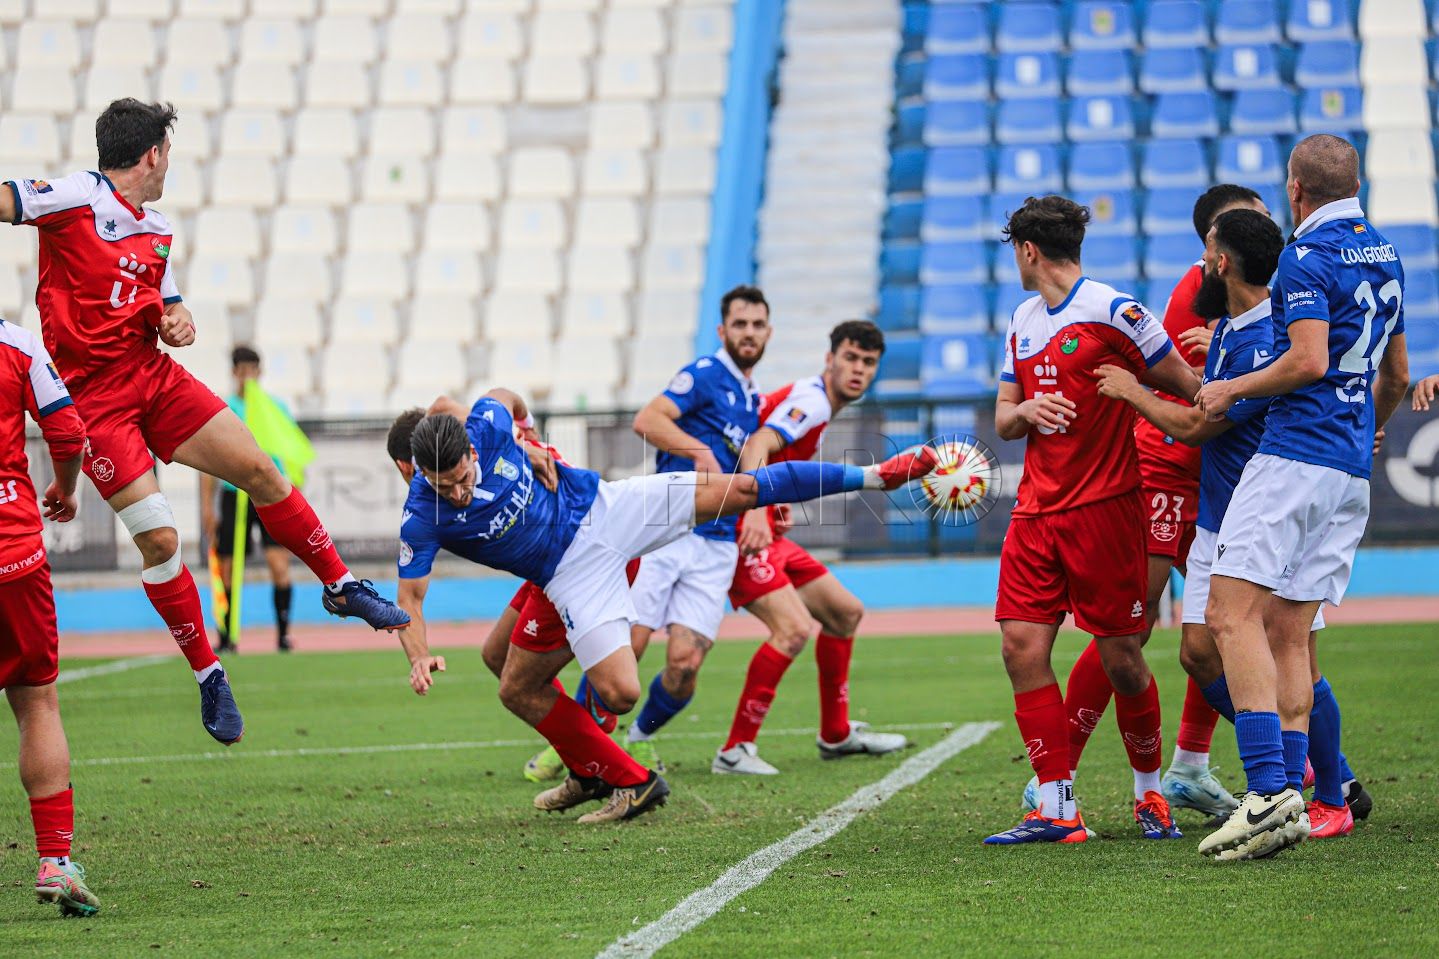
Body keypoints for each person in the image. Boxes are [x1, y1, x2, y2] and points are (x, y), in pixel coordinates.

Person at [0, 99, 409, 746]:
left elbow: (167, 301)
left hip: (153, 377)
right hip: (94, 402)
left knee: (259, 469)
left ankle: (338, 583)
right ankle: (210, 672)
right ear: (154, 153)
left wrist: (179, 319)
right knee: (161, 541)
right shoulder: (77, 195)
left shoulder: (156, 227)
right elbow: (8, 199)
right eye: (169, 154)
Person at [389, 390, 936, 823]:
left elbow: (496, 397)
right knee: (620, 693)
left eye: (462, 477)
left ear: (471, 451)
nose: (457, 492)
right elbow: (409, 598)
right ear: (420, 474)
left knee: (740, 490)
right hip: (570, 575)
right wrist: (418, 654)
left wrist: (528, 437)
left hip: (607, 508)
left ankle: (874, 475)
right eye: (444, 486)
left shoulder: (485, 426)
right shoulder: (422, 517)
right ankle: (599, 769)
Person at [1097, 208, 1369, 842]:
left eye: (1205, 253)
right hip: (1219, 514)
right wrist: (1199, 372)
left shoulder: (1267, 339)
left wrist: (1132, 389)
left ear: (1222, 261)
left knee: (1289, 646)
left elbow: (1199, 424)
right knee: (1200, 651)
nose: (1197, 266)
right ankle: (1293, 778)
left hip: (1265, 512)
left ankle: (1321, 788)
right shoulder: (1231, 329)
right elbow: (1212, 398)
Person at [1195, 135, 1409, 860]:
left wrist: (1229, 385)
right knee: (1288, 627)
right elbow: (1394, 379)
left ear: (1294, 190)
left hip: (1292, 456)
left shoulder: (1302, 257)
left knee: (1228, 614)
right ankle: (1297, 792)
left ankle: (1263, 792)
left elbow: (1307, 358)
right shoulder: (1385, 254)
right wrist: (1367, 432)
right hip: (1346, 469)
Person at [983, 195, 1202, 845]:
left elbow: (1188, 385)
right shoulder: (1021, 320)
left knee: (1122, 658)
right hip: (1035, 512)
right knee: (1019, 646)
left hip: (1106, 511)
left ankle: (1149, 790)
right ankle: (1057, 807)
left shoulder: (1117, 312)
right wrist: (1024, 413)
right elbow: (1001, 414)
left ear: (1026, 251)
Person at [1050, 185, 1271, 822]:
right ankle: (1054, 774)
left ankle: (1190, 767)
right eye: (1247, 222)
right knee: (1133, 624)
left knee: (1222, 622)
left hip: (1215, 475)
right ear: (1215, 239)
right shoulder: (1199, 291)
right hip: (1168, 469)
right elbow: (1197, 393)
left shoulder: (1257, 292)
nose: (1263, 232)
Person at [385, 406, 629, 785]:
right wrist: (526, 437)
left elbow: (409, 598)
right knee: (496, 654)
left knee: (522, 688)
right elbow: (447, 402)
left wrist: (525, 441)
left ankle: (595, 756)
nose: (452, 491)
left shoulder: (481, 457)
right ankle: (581, 743)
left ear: (406, 467)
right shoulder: (486, 441)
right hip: (553, 561)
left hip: (576, 558)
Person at [715, 320, 907, 775]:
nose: (858, 370)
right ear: (830, 359)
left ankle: (836, 734)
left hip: (764, 528)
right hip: (738, 528)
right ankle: (734, 750)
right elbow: (759, 441)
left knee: (844, 613)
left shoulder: (816, 400)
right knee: (793, 630)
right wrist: (759, 505)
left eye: (868, 363)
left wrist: (773, 503)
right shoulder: (813, 401)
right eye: (850, 358)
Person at [622, 285, 769, 772]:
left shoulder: (752, 397)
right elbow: (648, 419)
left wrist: (760, 507)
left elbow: (754, 458)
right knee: (628, 651)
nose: (749, 333)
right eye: (740, 325)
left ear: (768, 332)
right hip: (668, 529)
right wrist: (698, 452)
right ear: (722, 331)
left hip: (718, 542)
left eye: (757, 325)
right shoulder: (706, 375)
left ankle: (637, 739)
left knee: (685, 665)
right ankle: (579, 747)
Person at [0, 317, 100, 915]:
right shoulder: (16, 343)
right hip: (12, 552)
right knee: (36, 700)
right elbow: (67, 432)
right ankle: (55, 862)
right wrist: (65, 490)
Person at [200, 346, 304, 653]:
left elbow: (292, 455)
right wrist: (208, 506)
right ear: (234, 373)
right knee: (228, 566)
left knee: (278, 564)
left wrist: (295, 496)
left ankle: (283, 634)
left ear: (260, 372)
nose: (248, 377)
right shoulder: (224, 409)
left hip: (271, 495)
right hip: (235, 495)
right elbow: (209, 460)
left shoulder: (276, 409)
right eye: (242, 371)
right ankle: (226, 635)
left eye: (252, 371)